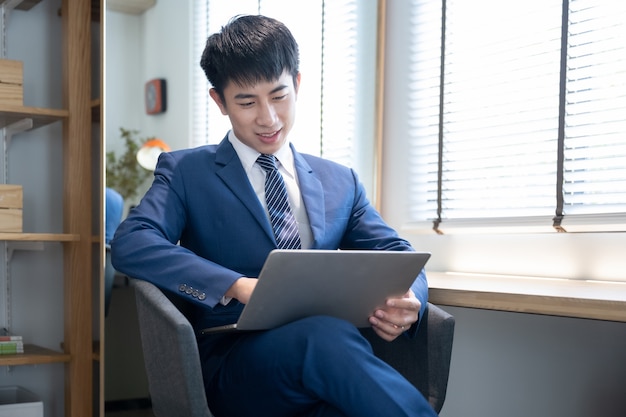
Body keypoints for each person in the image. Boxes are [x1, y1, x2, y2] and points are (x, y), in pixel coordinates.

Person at [111, 14, 436, 417]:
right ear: (220, 101)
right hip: (237, 363)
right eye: (247, 102)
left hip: (334, 362)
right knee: (324, 337)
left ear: (297, 85)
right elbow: (132, 243)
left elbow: (398, 254)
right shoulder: (186, 172)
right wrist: (236, 285)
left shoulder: (340, 181)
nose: (268, 118)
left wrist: (412, 301)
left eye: (279, 95)